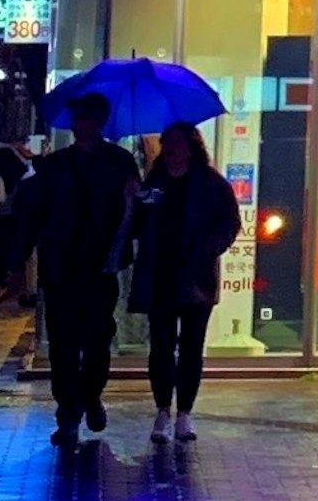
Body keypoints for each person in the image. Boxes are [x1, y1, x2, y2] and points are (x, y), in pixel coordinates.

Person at [14, 92, 142, 449]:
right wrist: (18, 260)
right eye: (76, 118)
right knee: (64, 345)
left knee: (97, 341)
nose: (79, 125)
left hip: (101, 267)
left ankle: (91, 395)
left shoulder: (119, 162)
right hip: (60, 268)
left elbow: (134, 214)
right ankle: (68, 412)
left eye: (85, 118)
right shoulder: (54, 166)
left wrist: (138, 202)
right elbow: (32, 215)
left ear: (98, 122)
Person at [129, 122, 243, 443]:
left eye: (178, 143)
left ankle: (185, 414)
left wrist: (209, 247)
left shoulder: (210, 183)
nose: (172, 150)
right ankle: (163, 411)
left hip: (196, 277)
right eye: (168, 144)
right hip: (160, 276)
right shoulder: (156, 181)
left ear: (191, 146)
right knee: (161, 347)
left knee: (191, 347)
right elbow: (140, 219)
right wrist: (133, 199)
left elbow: (229, 222)